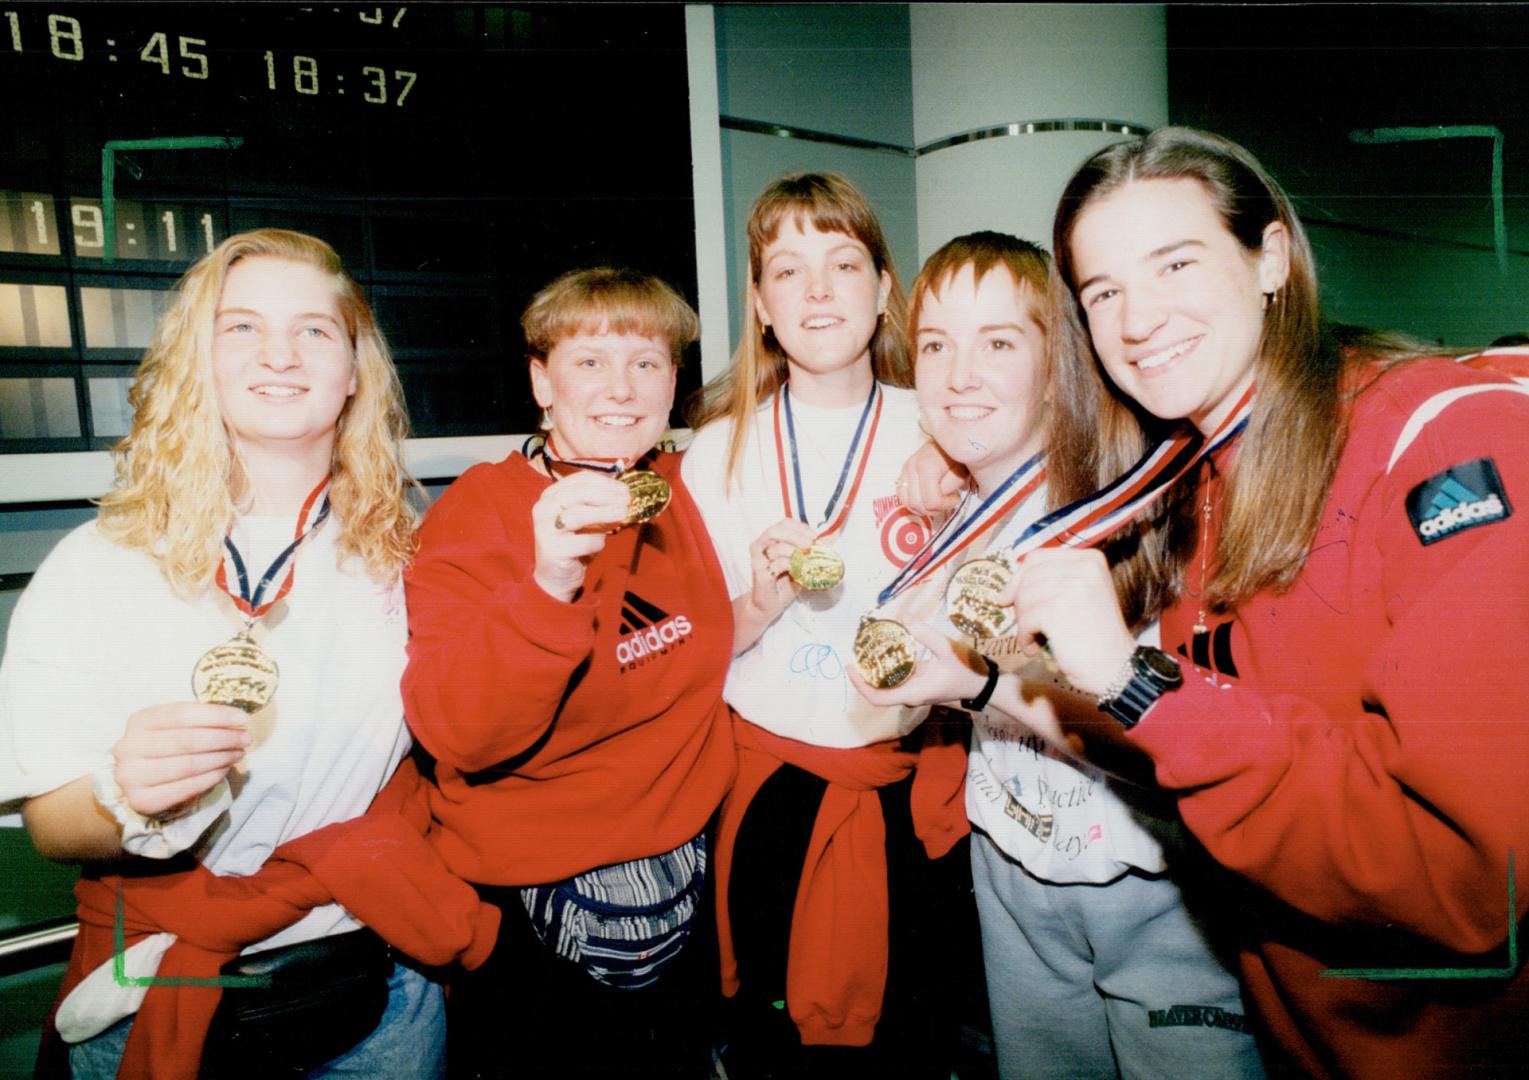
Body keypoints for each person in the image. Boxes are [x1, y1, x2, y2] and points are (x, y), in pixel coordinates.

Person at [991, 127, 1529, 1076]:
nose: (1136, 319)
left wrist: (1133, 682)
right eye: (1103, 292)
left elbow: (1467, 874)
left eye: (1174, 263)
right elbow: (1202, 739)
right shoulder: (1190, 479)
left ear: (1270, 256)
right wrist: (991, 677)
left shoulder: (1446, 444)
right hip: (1297, 1034)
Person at [0, 229, 496, 1079]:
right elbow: (51, 823)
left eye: (314, 330)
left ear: (352, 369)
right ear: (199, 360)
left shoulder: (411, 557)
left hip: (377, 992)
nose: (280, 354)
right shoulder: (100, 559)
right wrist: (126, 795)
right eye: (241, 328)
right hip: (156, 985)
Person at [854, 230, 1264, 1078]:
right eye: (934, 345)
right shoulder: (960, 502)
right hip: (1010, 864)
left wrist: (974, 685)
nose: (957, 376)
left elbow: (1158, 741)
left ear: (1057, 367)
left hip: (1152, 884)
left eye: (998, 343)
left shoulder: (1126, 510)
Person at [401, 267, 736, 1079]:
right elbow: (458, 735)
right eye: (589, 361)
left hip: (688, 880)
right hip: (536, 914)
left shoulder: (687, 490)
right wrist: (550, 581)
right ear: (541, 382)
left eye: (647, 362)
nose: (621, 388)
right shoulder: (479, 513)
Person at [682, 173, 971, 1079]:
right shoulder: (713, 451)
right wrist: (762, 603)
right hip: (769, 789)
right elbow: (694, 658)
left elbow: (1006, 627)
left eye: (843, 263)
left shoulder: (952, 429)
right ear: (761, 305)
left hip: (906, 790)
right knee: (779, 1052)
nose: (817, 290)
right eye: (788, 269)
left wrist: (962, 497)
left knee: (910, 1046)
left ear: (885, 290)